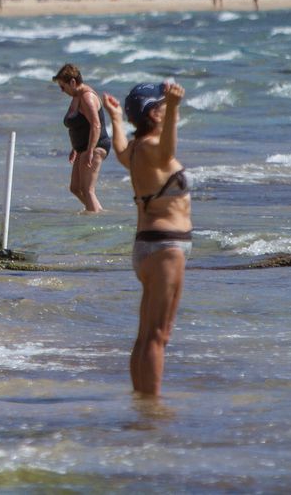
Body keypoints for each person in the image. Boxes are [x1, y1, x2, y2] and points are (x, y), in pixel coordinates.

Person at [102, 80, 190, 398]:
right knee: (158, 335)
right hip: (167, 246)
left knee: (145, 335)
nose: (168, 109)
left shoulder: (136, 151)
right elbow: (168, 151)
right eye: (163, 106)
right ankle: (151, 411)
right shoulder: (153, 148)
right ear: (153, 113)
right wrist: (176, 108)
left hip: (147, 247)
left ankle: (140, 400)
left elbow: (120, 152)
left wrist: (114, 118)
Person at [53, 63, 109, 213]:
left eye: (63, 86)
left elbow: (96, 125)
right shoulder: (76, 96)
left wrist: (91, 150)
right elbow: (80, 125)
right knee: (75, 188)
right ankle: (98, 212)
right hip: (82, 147)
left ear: (72, 82)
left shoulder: (87, 97)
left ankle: (94, 220)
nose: (62, 90)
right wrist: (75, 147)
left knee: (87, 189)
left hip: (95, 146)